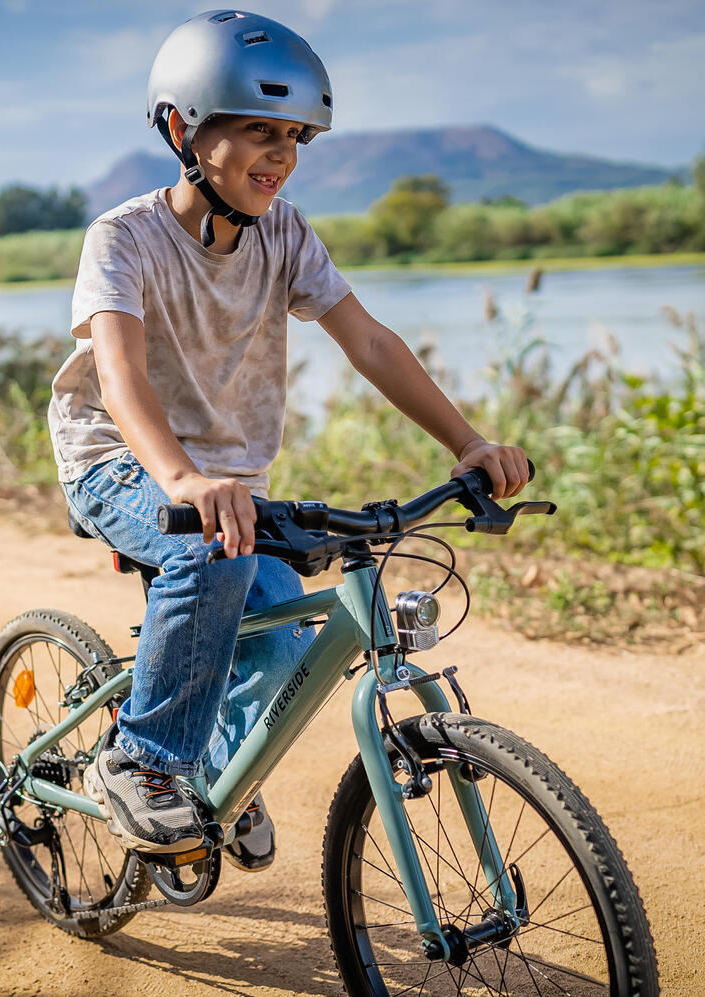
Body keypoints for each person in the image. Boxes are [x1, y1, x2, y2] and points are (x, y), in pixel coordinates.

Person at [52, 9, 530, 870]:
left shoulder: (283, 232)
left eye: (294, 136)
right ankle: (145, 759)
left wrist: (467, 441)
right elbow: (120, 377)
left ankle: (216, 777)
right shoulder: (123, 237)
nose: (280, 155)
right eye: (256, 132)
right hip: (121, 458)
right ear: (182, 131)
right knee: (213, 555)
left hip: (229, 475)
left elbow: (370, 341)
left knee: (278, 634)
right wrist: (184, 482)